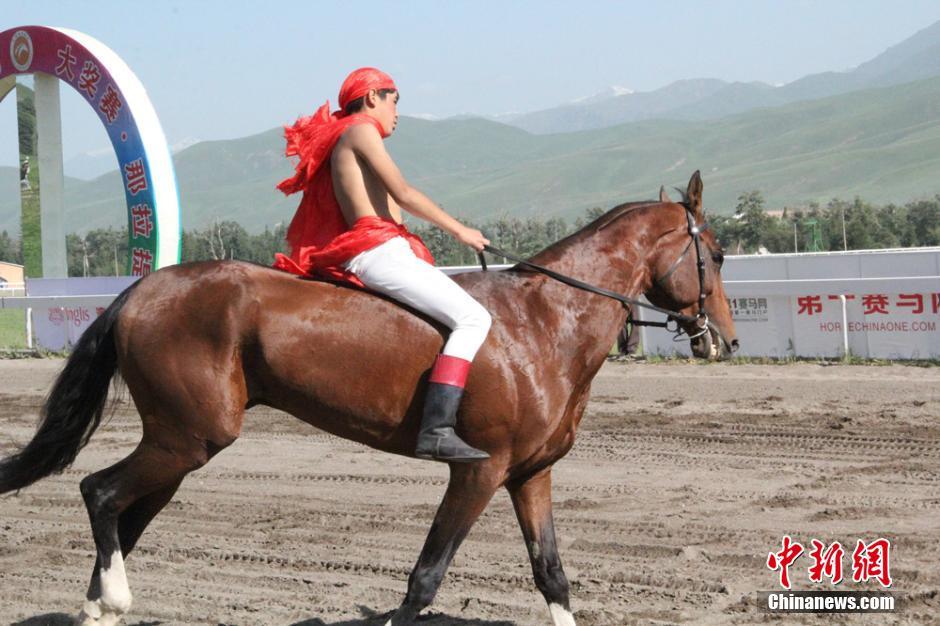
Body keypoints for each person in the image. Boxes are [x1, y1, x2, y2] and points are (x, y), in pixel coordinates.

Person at [273, 67, 492, 463]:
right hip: (377, 252)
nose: (397, 112)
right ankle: (437, 429)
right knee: (474, 319)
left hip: (385, 249)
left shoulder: (348, 133)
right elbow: (403, 193)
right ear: (373, 96)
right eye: (395, 100)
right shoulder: (360, 129)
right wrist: (461, 231)